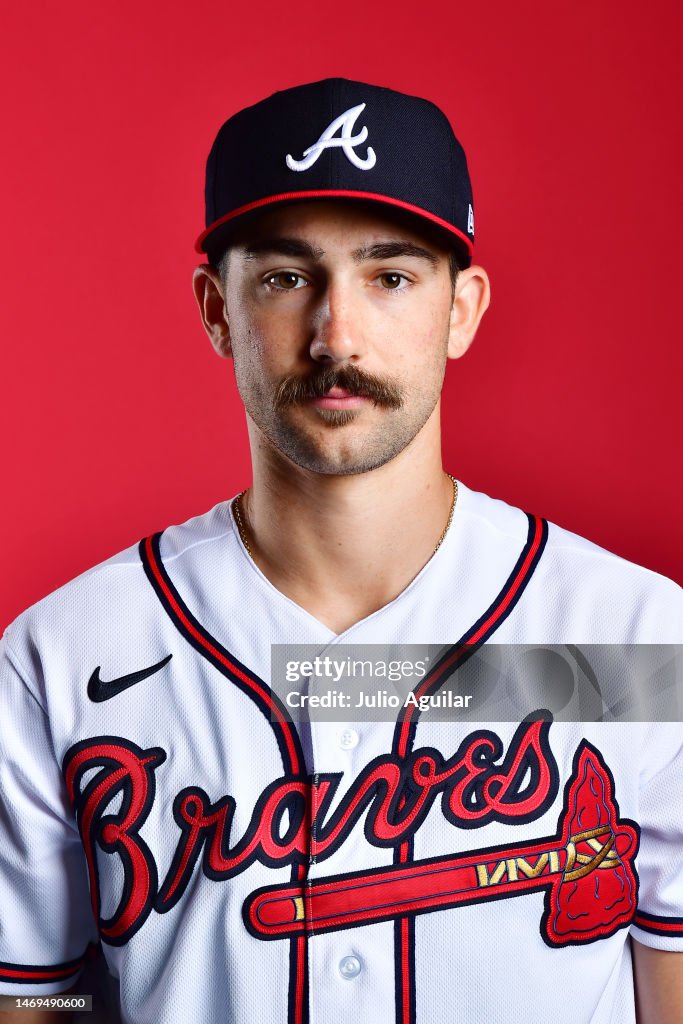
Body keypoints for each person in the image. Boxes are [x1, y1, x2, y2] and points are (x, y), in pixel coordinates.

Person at [0, 78, 681, 1024]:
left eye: (389, 276)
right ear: (215, 309)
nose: (336, 335)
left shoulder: (637, 642)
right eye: (285, 279)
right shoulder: (61, 658)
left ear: (462, 309)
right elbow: (39, 1000)